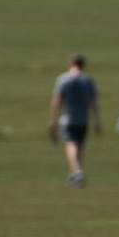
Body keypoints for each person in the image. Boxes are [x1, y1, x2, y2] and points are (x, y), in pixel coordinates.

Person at [47, 53, 97, 186]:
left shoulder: (63, 79)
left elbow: (57, 101)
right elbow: (92, 102)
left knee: (71, 145)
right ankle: (75, 174)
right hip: (83, 118)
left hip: (68, 118)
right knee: (80, 146)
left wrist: (53, 120)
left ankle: (77, 171)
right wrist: (96, 121)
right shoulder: (88, 80)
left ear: (70, 63)